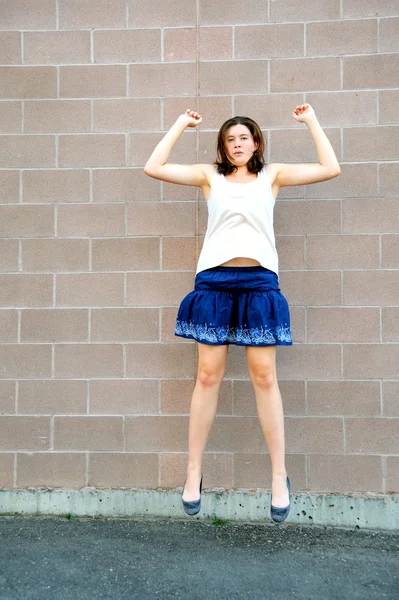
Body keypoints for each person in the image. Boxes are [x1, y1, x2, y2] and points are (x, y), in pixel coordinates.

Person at [144, 104, 341, 522]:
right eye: (231, 139)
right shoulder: (208, 176)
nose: (237, 144)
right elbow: (153, 166)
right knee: (208, 376)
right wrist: (181, 124)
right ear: (223, 145)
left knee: (265, 377)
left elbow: (330, 167)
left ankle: (278, 476)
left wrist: (311, 121)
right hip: (214, 283)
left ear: (256, 144)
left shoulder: (272, 176)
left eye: (244, 138)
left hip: (259, 284)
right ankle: (194, 471)